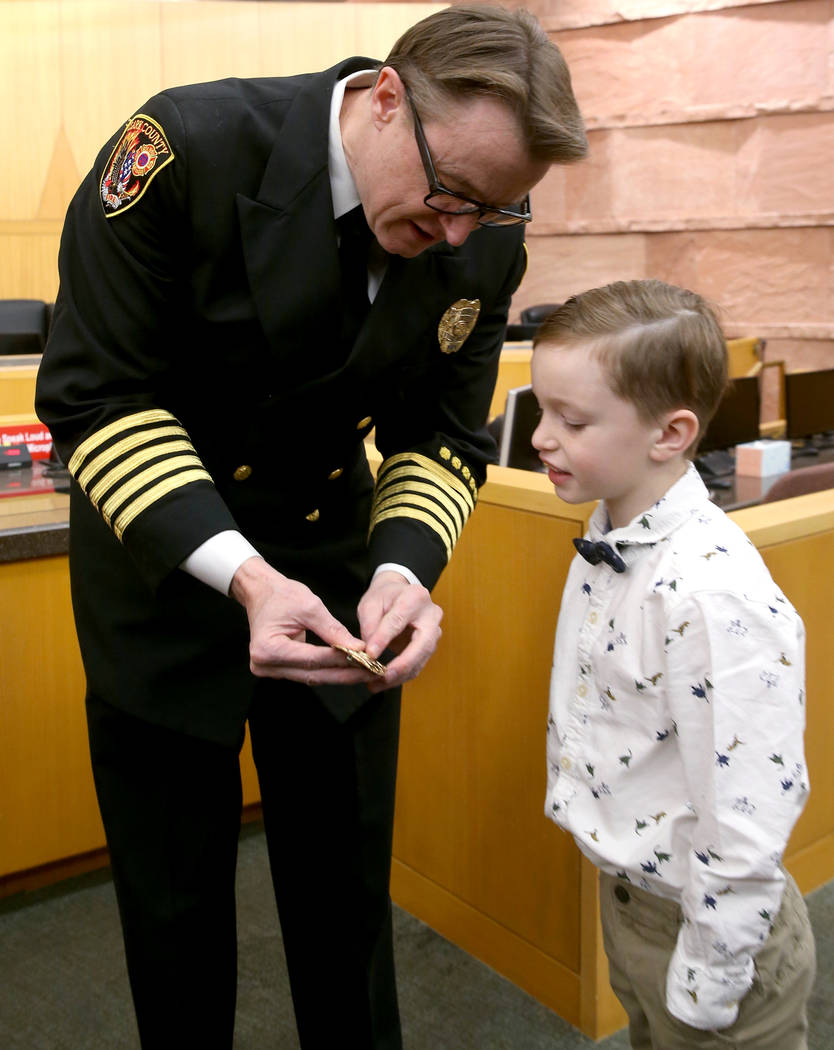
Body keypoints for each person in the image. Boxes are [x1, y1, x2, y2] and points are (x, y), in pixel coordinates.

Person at [34, 5, 587, 1048]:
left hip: (336, 579)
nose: (463, 234)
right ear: (387, 97)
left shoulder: (483, 239)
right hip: (164, 569)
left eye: (498, 209)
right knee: (173, 907)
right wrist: (245, 579)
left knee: (345, 897)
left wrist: (405, 569)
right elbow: (96, 399)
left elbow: (440, 433)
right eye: (452, 195)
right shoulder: (184, 152)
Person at [531, 280, 815, 1049]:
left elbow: (748, 810)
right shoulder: (609, 525)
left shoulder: (712, 592)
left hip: (716, 928)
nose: (540, 439)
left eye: (573, 420)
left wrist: (710, 976)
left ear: (671, 433)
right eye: (540, 410)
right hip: (635, 900)